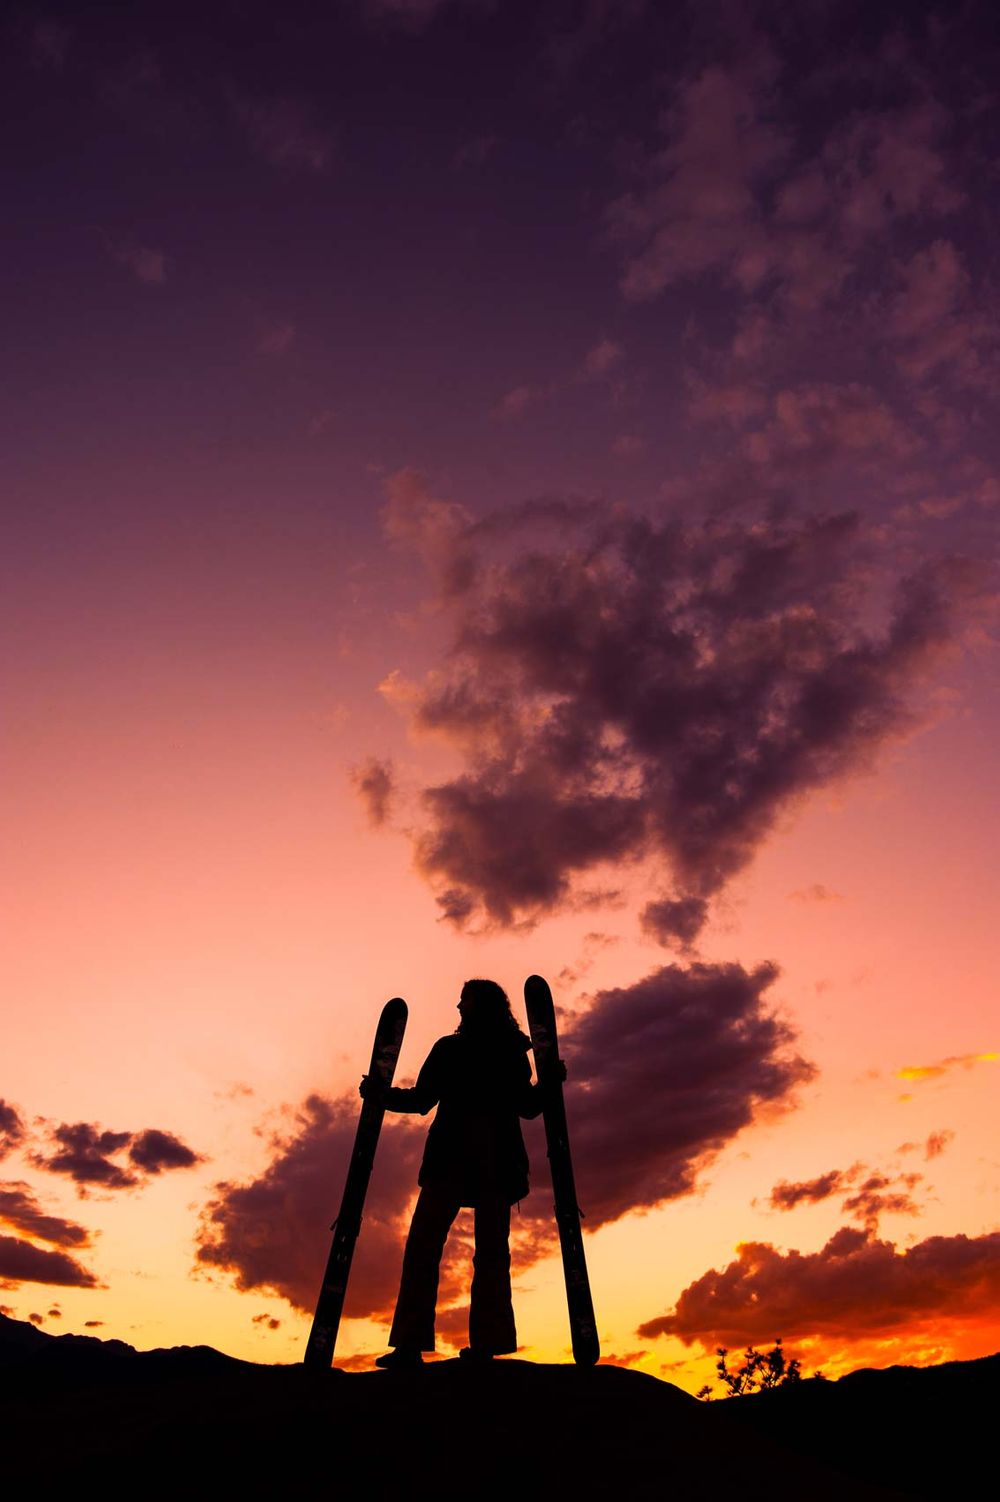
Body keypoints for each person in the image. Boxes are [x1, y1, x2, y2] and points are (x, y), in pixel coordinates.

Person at [361, 977, 556, 1368]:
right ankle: (471, 1343)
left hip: (467, 1162)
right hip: (479, 1163)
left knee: (438, 1250)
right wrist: (381, 1096)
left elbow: (421, 1102)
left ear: (480, 1006)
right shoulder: (501, 1051)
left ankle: (420, 1345)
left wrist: (381, 1097)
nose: (458, 1007)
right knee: (468, 1253)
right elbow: (529, 1106)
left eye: (464, 1001)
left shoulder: (465, 1050)